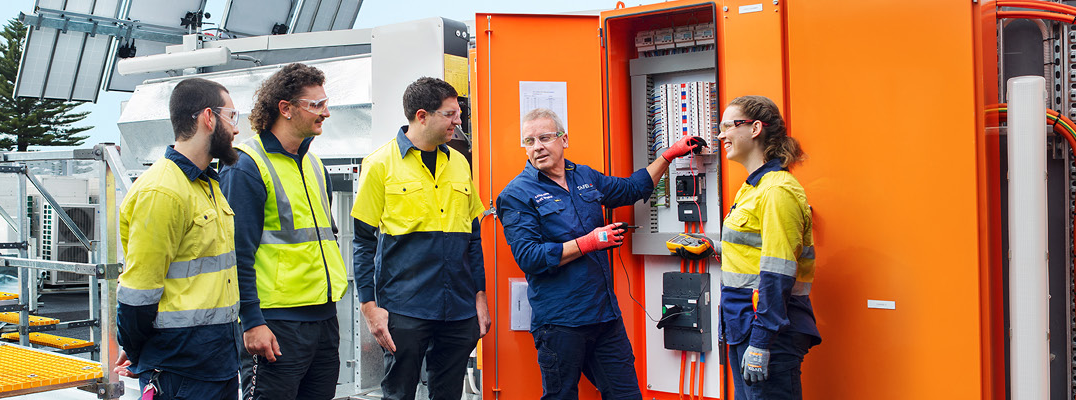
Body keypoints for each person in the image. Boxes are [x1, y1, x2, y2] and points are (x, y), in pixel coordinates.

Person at [496, 108, 702, 400]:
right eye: (529, 141)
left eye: (544, 137)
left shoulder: (584, 176)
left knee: (626, 395)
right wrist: (588, 243)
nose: (537, 146)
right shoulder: (517, 194)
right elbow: (529, 257)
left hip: (604, 317)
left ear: (563, 139)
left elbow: (632, 189)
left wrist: (668, 155)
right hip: (560, 323)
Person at [351, 77, 490, 400]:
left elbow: (473, 236)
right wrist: (370, 307)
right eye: (451, 114)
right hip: (405, 306)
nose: (458, 121)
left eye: (459, 114)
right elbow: (362, 242)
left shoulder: (459, 162)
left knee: (449, 394)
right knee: (399, 394)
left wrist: (479, 297)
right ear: (422, 115)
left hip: (458, 308)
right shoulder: (379, 164)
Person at [221, 63, 347, 400]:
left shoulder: (315, 164)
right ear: (286, 109)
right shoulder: (246, 165)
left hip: (323, 319)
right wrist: (251, 321)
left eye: (325, 103)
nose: (326, 113)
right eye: (316, 105)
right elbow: (236, 255)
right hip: (275, 324)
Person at [113, 77, 243, 399]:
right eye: (232, 117)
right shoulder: (163, 191)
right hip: (180, 372)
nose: (237, 129)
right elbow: (137, 295)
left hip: (218, 364)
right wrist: (142, 354)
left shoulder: (207, 185)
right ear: (208, 118)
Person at [715, 95, 819, 400]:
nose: (721, 135)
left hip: (768, 333)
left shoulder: (776, 191)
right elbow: (754, 251)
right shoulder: (753, 187)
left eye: (728, 126)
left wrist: (761, 342)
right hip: (743, 327)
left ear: (756, 128)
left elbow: (778, 272)